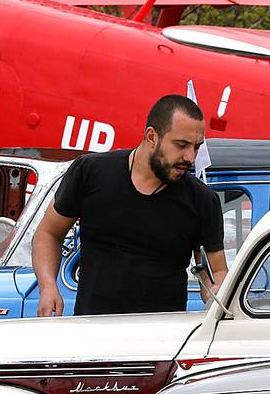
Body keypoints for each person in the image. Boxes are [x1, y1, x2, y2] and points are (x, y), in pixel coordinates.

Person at [33, 95, 228, 316]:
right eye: (181, 145)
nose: (190, 157)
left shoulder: (202, 200)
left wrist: (217, 293)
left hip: (162, 343)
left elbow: (216, 272)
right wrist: (48, 287)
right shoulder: (90, 172)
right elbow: (48, 233)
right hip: (91, 334)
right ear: (151, 136)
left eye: (196, 147)